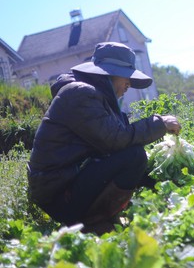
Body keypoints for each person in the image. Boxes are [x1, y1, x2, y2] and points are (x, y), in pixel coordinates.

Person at [28, 42, 182, 234]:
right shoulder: (81, 93)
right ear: (108, 73)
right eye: (126, 77)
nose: (129, 84)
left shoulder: (95, 97)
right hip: (60, 196)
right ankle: (93, 222)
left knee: (131, 156)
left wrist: (162, 185)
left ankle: (167, 193)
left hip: (67, 185)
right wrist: (160, 123)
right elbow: (117, 140)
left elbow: (116, 143)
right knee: (133, 156)